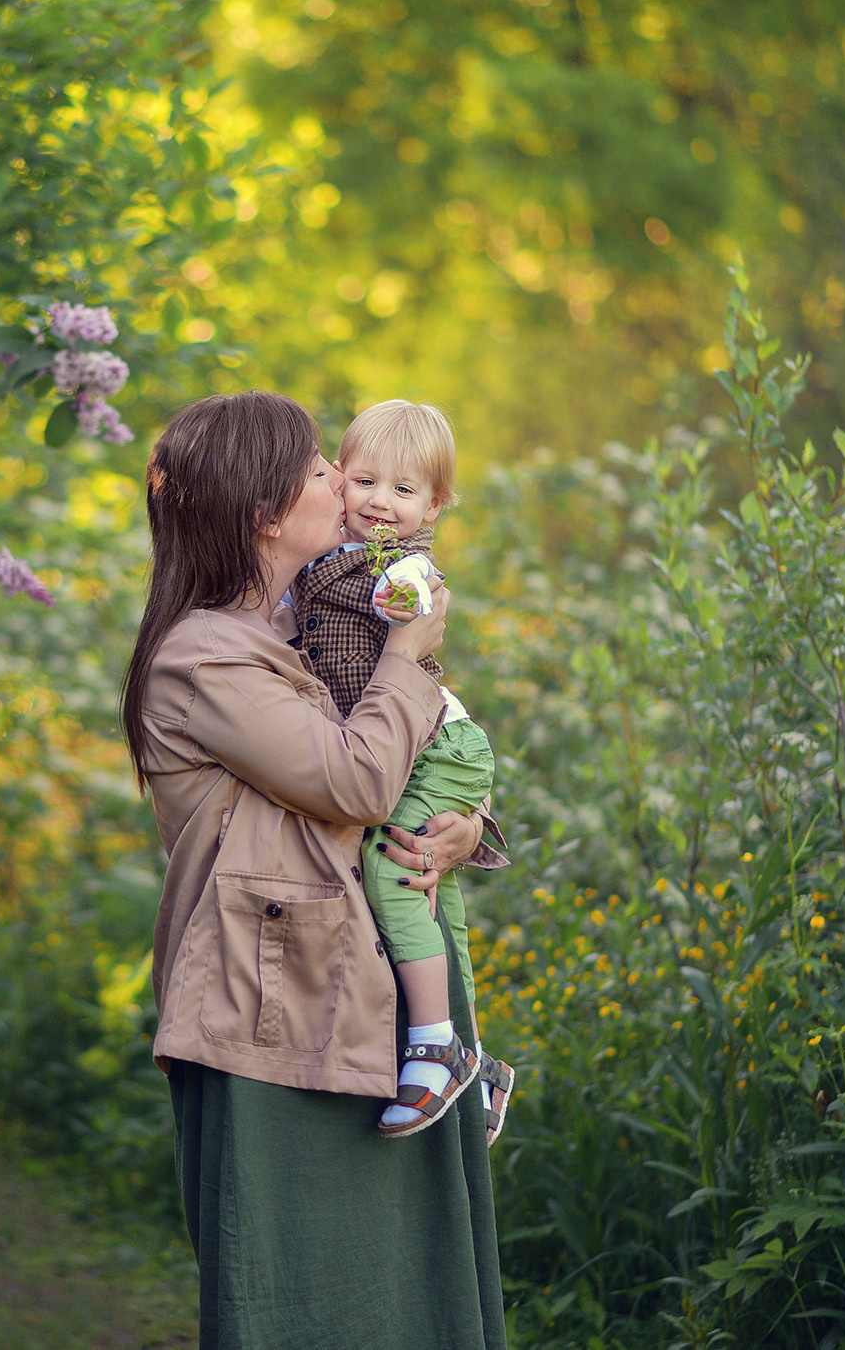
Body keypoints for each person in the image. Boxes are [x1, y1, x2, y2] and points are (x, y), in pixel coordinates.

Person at [121, 391, 507, 1349]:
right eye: (322, 470)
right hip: (273, 1011)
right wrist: (414, 654)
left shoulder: (317, 621)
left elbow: (408, 766)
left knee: (418, 1286)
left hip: (381, 990)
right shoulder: (205, 657)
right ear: (264, 512)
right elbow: (355, 776)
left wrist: (467, 825)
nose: (345, 482)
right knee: (297, 1292)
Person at [289, 399, 511, 1139]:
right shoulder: (319, 558)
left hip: (439, 746)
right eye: (365, 481)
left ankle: (436, 1045)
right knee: (436, 899)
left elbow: (410, 597)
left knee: (394, 869)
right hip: (413, 745)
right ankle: (479, 1062)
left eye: (405, 490)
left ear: (435, 505)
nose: (381, 502)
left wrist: (405, 597)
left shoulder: (399, 565)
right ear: (337, 481)